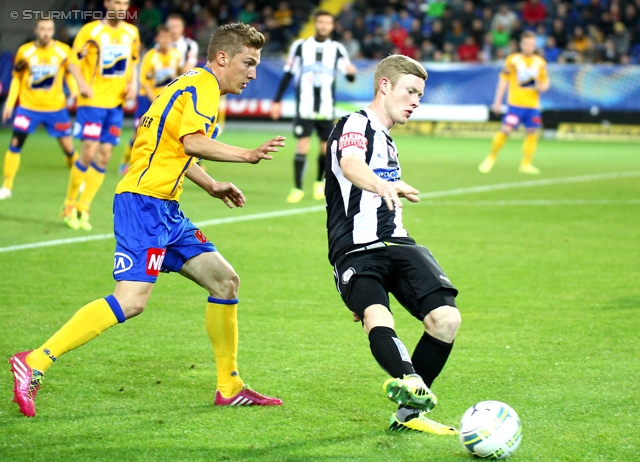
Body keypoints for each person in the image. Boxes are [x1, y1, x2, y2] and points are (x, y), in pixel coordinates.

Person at [9, 22, 286, 418]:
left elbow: (176, 149)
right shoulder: (204, 87)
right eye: (248, 62)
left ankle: (230, 386)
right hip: (143, 205)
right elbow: (192, 142)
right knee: (131, 301)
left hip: (166, 208)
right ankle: (35, 360)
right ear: (222, 58)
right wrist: (247, 155)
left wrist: (209, 184)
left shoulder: (187, 84)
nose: (253, 72)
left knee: (225, 281)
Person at [324, 54, 461, 434]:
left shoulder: (388, 140)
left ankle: (409, 415)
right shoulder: (355, 123)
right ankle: (409, 380)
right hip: (356, 249)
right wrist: (382, 184)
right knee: (376, 316)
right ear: (385, 85)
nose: (416, 100)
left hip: (399, 244)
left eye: (420, 94)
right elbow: (351, 164)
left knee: (446, 319)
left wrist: (390, 184)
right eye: (411, 91)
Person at [63, 0, 140, 231]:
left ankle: (84, 206)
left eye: (125, 2)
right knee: (87, 154)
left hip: (115, 105)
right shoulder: (91, 30)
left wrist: (133, 84)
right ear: (107, 3)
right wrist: (82, 84)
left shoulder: (131, 32)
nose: (121, 6)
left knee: (105, 157)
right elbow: (72, 61)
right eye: (117, 2)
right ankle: (69, 204)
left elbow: (133, 61)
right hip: (92, 103)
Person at [0, 17, 91, 200]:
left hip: (55, 108)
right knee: (16, 144)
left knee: (68, 148)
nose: (46, 32)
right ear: (36, 30)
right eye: (42, 29)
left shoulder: (63, 51)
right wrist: (10, 104)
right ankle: (7, 186)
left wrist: (73, 92)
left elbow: (70, 73)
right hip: (28, 107)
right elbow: (17, 78)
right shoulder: (24, 52)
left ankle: (78, 180)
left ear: (53, 30)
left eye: (49, 29)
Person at [270, 10, 356, 203]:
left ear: (332, 26)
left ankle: (319, 182)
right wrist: (277, 100)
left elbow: (349, 75)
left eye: (327, 23)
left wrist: (351, 73)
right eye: (321, 22)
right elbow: (288, 73)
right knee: (302, 146)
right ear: (316, 24)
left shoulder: (337, 49)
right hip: (305, 108)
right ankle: (297, 188)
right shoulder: (300, 46)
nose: (324, 26)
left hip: (326, 108)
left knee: (324, 149)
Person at [479, 31, 550, 175]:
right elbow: (503, 80)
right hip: (516, 104)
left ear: (535, 45)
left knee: (532, 132)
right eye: (527, 44)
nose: (529, 47)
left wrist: (542, 87)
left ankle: (526, 164)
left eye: (532, 44)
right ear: (521, 44)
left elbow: (545, 82)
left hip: (533, 106)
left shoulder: (540, 62)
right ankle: (491, 157)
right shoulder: (513, 60)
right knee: (506, 130)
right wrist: (498, 101)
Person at [119, 25, 182, 175]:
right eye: (162, 37)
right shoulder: (149, 56)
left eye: (167, 37)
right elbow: (145, 83)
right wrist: (156, 100)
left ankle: (161, 165)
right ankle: (125, 162)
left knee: (170, 132)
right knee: (139, 132)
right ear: (157, 39)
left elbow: (179, 75)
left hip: (166, 100)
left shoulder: (176, 55)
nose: (165, 40)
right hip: (147, 100)